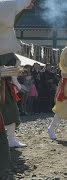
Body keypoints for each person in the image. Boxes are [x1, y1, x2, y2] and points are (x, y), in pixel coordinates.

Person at [0, 0, 36, 150]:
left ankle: (11, 139)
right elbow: (9, 9)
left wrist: (15, 81)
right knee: (9, 109)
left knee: (10, 109)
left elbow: (12, 13)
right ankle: (10, 140)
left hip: (4, 81)